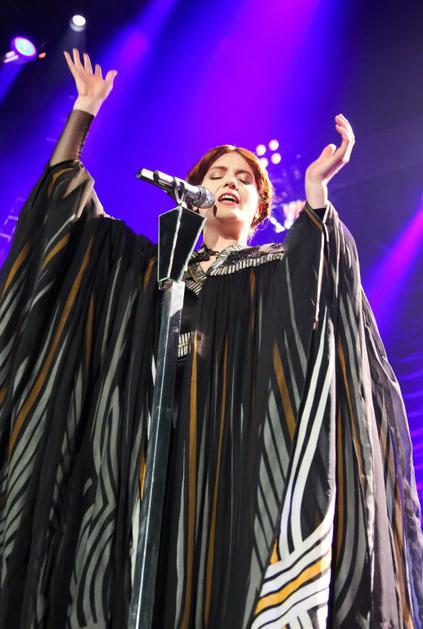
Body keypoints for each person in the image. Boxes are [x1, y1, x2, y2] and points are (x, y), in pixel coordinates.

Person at [0, 49, 421, 629]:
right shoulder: (151, 270)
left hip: (237, 459)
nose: (228, 183)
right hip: (147, 458)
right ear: (191, 194)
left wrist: (317, 195)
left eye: (243, 179)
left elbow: (325, 286)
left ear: (260, 205)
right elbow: (67, 216)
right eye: (216, 176)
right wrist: (83, 113)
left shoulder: (277, 267)